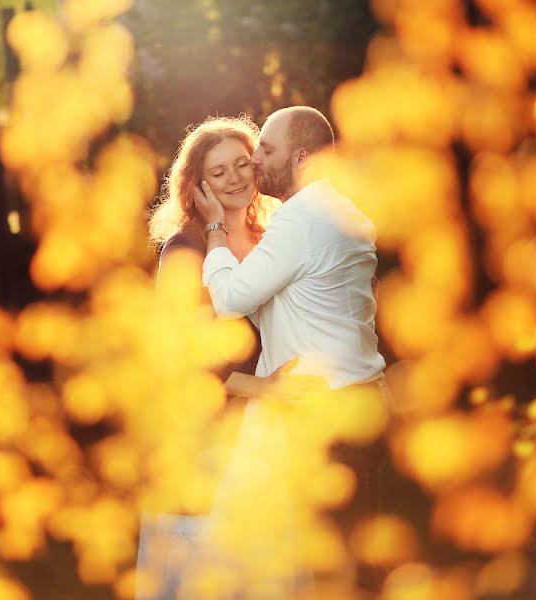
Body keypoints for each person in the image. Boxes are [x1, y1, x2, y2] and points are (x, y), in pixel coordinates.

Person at [193, 105, 391, 592]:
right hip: (359, 399)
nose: (255, 159)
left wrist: (216, 227)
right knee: (345, 559)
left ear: (301, 156)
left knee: (327, 565)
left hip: (325, 410)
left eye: (267, 149)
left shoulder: (301, 220)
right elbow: (282, 306)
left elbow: (232, 299)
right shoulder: (338, 210)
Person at [137, 115, 277, 600]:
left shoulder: (270, 238)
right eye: (219, 172)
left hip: (258, 433)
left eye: (244, 163)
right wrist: (265, 387)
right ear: (197, 186)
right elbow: (180, 357)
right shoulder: (185, 248)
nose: (236, 178)